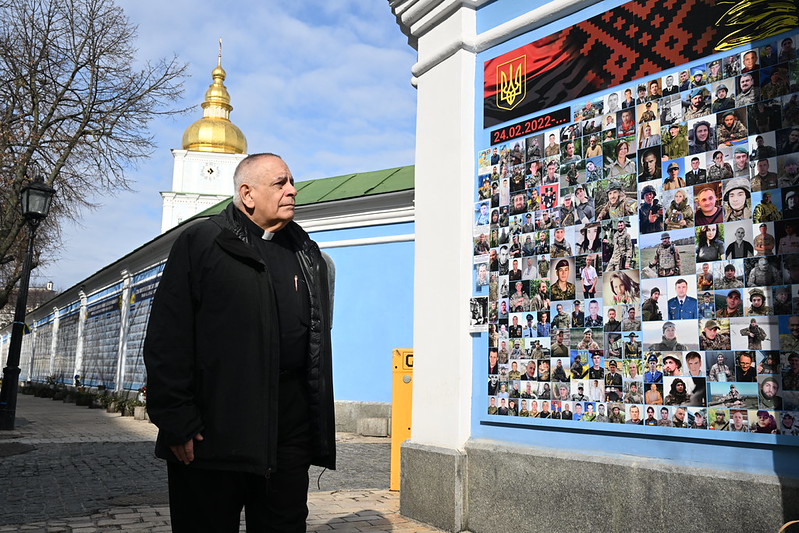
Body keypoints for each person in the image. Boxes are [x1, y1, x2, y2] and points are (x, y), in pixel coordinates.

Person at [143, 153, 335, 531]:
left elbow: (315, 340)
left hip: (287, 435)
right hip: (213, 433)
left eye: (292, 182)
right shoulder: (202, 243)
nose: (293, 191)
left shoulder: (306, 253)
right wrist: (177, 419)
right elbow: (168, 336)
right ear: (247, 194)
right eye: (280, 183)